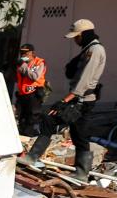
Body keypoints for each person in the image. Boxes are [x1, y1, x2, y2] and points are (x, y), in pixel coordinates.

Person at [19, 19, 107, 181]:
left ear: (85, 34)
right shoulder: (88, 49)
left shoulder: (95, 50)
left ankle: (35, 157)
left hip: (81, 100)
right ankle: (80, 172)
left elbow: (85, 81)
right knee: (77, 133)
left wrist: (65, 100)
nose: (75, 40)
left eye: (77, 36)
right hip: (79, 99)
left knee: (52, 120)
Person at [14, 43, 47, 134]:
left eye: (26, 53)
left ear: (32, 53)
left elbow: (35, 76)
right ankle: (22, 133)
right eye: (22, 53)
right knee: (21, 117)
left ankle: (31, 134)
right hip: (22, 94)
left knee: (32, 117)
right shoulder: (21, 63)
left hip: (34, 93)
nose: (23, 55)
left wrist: (23, 65)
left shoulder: (39, 62)